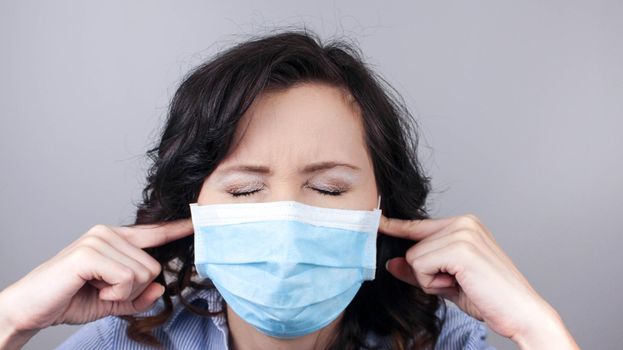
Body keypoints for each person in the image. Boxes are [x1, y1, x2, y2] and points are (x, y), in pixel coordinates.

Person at [0, 30, 579, 350]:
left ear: (382, 208)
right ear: (193, 210)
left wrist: (537, 329)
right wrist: (12, 320)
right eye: (247, 191)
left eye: (328, 189)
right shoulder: (122, 343)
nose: (286, 220)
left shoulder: (441, 339)